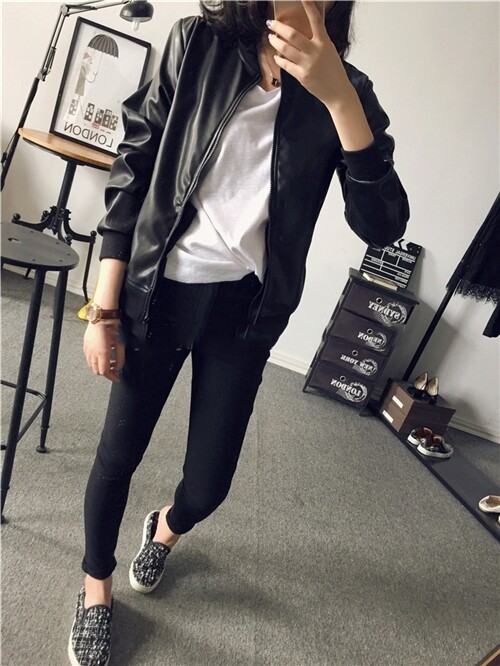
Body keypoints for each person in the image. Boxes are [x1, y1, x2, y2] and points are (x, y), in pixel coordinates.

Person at [68, 1, 409, 664]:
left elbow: (383, 225)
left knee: (209, 486)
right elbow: (135, 166)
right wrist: (104, 309)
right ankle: (95, 588)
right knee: (117, 455)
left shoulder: (349, 91)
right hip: (158, 292)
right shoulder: (197, 42)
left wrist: (339, 97)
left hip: (246, 314)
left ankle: (165, 529)